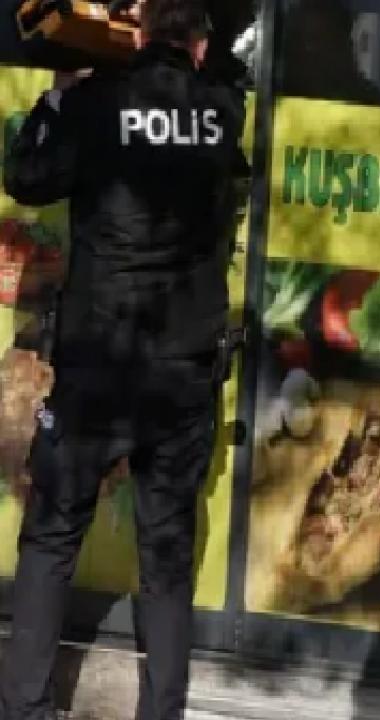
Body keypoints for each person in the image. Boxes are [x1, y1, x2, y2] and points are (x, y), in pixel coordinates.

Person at [0, 0, 248, 717]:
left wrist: (58, 95)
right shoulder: (222, 110)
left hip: (98, 368)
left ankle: (24, 709)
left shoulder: (98, 103)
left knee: (51, 536)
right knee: (166, 557)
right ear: (198, 45)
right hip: (184, 373)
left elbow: (26, 176)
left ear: (138, 32)